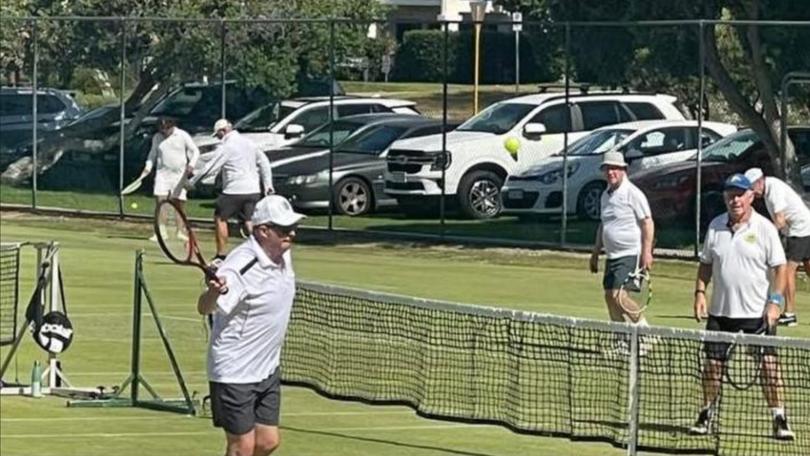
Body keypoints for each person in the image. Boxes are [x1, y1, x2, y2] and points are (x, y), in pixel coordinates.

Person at [197, 194, 305, 456]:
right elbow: (204, 308)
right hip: (235, 370)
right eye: (283, 229)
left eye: (293, 227)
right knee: (242, 448)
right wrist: (214, 292)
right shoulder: (241, 265)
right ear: (263, 230)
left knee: (267, 442)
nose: (290, 234)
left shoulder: (282, 253)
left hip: (267, 368)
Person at [689, 173, 794, 441]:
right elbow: (706, 263)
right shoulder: (715, 226)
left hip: (756, 316)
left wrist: (776, 302)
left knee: (770, 367)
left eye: (740, 194)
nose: (734, 200)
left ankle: (779, 417)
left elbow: (780, 269)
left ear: (750, 197)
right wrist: (700, 292)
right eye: (730, 195)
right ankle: (706, 413)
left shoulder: (765, 228)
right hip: (721, 314)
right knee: (712, 367)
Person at [189, 119, 274, 260]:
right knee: (249, 221)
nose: (218, 138)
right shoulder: (250, 143)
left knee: (220, 218)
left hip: (234, 190)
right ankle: (263, 252)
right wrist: (268, 185)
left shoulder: (227, 146)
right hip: (253, 190)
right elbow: (264, 163)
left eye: (218, 135)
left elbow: (210, 167)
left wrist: (191, 182)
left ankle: (221, 255)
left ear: (223, 131)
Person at [589, 151, 655, 328]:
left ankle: (646, 332)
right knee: (609, 297)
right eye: (607, 169)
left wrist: (647, 252)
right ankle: (622, 341)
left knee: (619, 296)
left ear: (623, 170)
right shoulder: (605, 196)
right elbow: (603, 226)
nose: (611, 173)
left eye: (615, 169)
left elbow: (647, 223)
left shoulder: (633, 193)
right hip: (612, 256)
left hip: (630, 254)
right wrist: (595, 253)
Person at [744, 167, 810, 327]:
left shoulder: (773, 190)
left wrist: (762, 237)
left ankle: (789, 314)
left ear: (760, 182)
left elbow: (780, 221)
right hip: (801, 228)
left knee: (787, 270)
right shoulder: (768, 190)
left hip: (800, 230)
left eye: (752, 188)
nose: (752, 193)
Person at [137, 117, 200, 241]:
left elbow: (195, 151)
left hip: (179, 176)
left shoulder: (182, 135)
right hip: (162, 175)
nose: (164, 131)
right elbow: (152, 154)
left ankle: (180, 232)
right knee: (161, 203)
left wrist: (191, 165)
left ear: (172, 126)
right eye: (161, 129)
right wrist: (148, 167)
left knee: (179, 204)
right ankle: (161, 232)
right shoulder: (157, 137)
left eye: (166, 129)